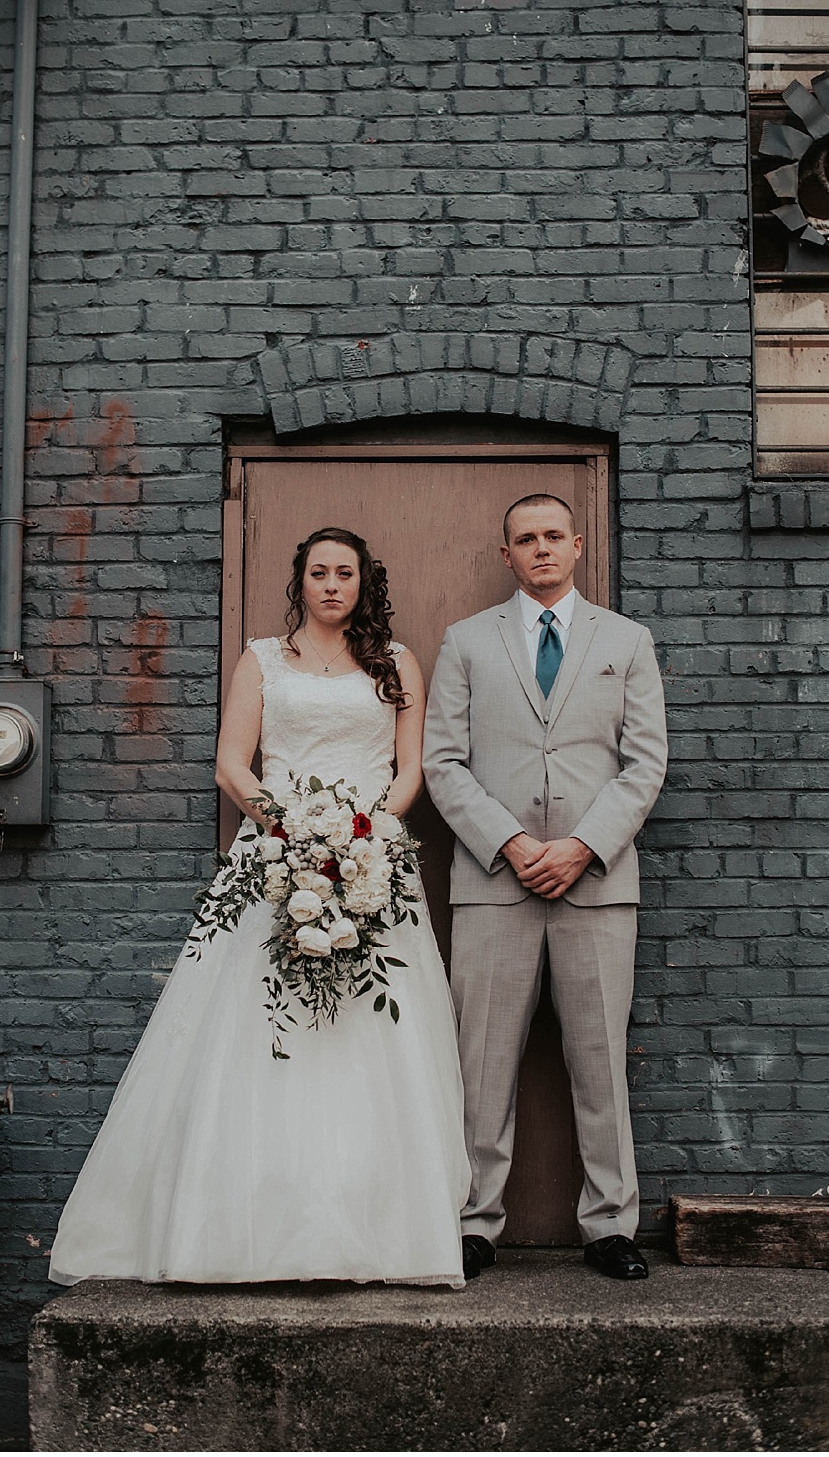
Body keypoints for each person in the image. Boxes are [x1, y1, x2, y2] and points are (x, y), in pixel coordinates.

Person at [49, 528, 471, 1286]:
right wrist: (293, 831)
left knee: (372, 1030)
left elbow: (410, 770)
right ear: (300, 580)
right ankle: (238, 1227)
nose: (332, 585)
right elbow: (230, 765)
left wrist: (361, 837)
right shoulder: (263, 658)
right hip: (276, 856)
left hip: (370, 857)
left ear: (363, 583)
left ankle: (380, 1228)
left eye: (345, 573)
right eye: (319, 572)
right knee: (255, 1025)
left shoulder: (397, 662)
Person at [424, 494, 668, 1282]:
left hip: (596, 884)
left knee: (600, 1064)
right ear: (507, 554)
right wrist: (513, 843)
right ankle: (474, 1222)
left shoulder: (627, 641)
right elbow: (442, 763)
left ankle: (610, 1226)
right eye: (525, 539)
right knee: (482, 1065)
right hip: (494, 882)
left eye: (553, 536)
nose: (541, 549)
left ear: (577, 544)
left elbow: (646, 764)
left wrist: (582, 847)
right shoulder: (467, 641)